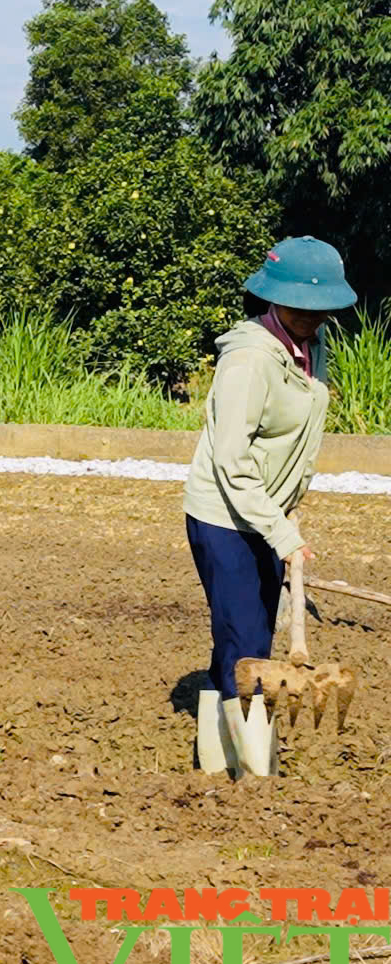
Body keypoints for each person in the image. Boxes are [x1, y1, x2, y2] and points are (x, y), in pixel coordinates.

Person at [184, 236, 354, 778]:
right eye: (300, 308)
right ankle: (252, 773)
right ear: (273, 298)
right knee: (248, 646)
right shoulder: (249, 361)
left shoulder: (311, 347)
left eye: (319, 307)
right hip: (224, 517)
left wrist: (286, 510)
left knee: (241, 641)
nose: (312, 317)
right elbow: (232, 459)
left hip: (265, 513)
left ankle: (215, 761)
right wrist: (281, 534)